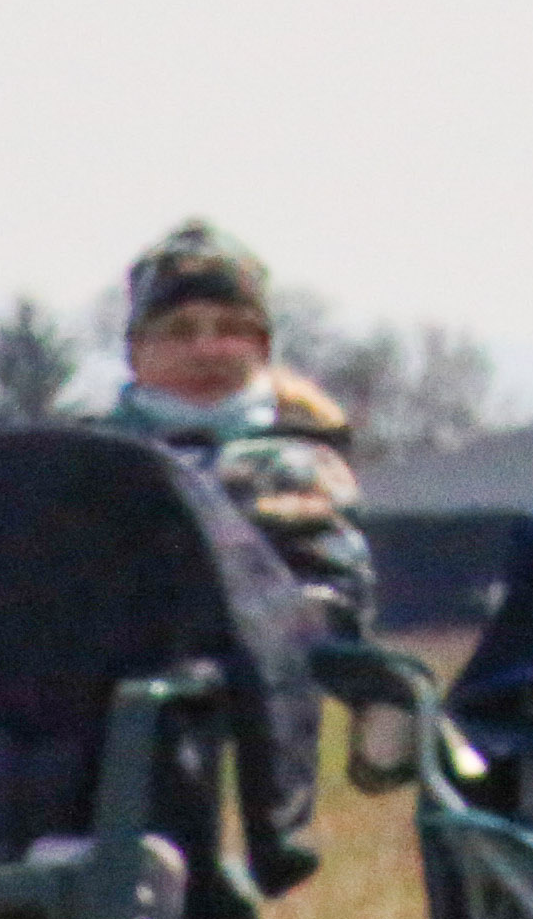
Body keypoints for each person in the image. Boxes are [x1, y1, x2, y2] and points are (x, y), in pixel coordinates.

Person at [90, 224, 373, 639]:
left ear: (262, 347)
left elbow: (337, 608)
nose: (206, 350)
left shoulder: (306, 464)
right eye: (180, 331)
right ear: (136, 350)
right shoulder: (90, 461)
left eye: (230, 330)